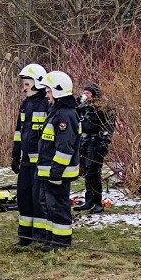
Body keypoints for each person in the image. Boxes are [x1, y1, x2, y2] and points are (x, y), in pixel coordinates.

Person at [35, 71, 81, 252]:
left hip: (58, 172)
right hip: (48, 171)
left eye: (48, 91)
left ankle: (61, 242)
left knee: (58, 206)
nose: (46, 95)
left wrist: (56, 171)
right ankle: (51, 239)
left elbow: (65, 148)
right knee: (47, 205)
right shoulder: (56, 112)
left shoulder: (65, 116)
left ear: (58, 91)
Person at [12, 63, 51, 246]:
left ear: (38, 83)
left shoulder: (46, 104)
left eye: (27, 84)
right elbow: (19, 132)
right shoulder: (25, 104)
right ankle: (25, 236)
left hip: (40, 163)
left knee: (38, 199)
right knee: (23, 196)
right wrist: (15, 156)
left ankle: (40, 236)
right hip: (26, 162)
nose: (24, 87)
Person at [74, 83, 115, 214]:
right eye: (84, 92)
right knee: (86, 171)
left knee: (94, 171)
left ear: (94, 94)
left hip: (96, 142)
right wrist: (76, 102)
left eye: (88, 93)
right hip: (84, 142)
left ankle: (97, 202)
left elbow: (109, 125)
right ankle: (89, 200)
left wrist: (104, 142)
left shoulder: (103, 107)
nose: (85, 95)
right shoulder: (83, 107)